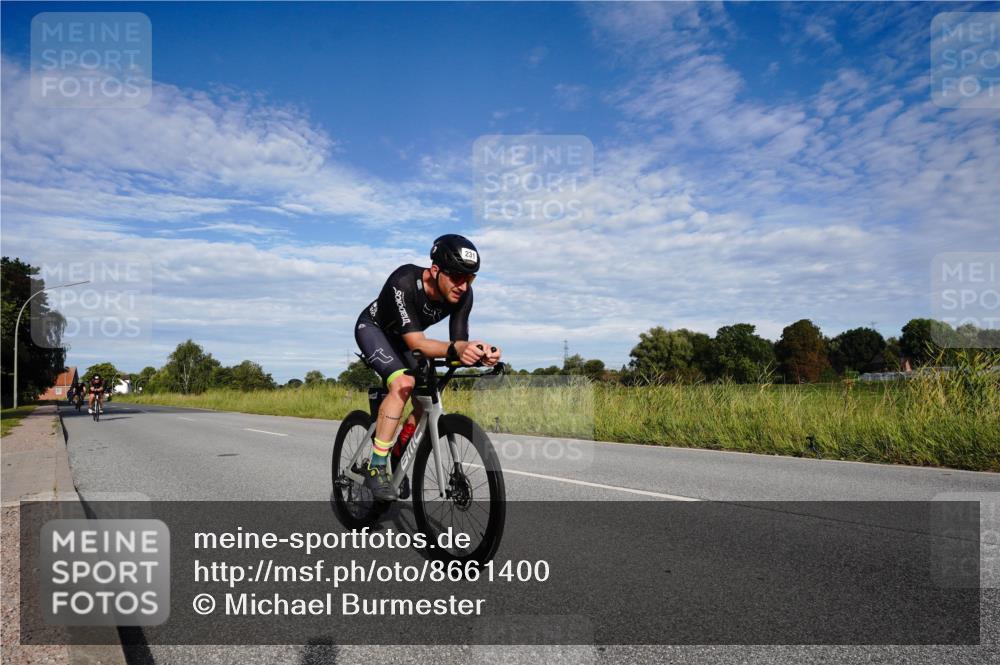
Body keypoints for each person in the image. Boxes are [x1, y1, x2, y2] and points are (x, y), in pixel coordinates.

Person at [354, 234, 501, 501]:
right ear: (435, 270)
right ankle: (376, 466)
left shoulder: (462, 296)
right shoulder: (404, 281)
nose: (463, 286)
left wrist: (480, 355)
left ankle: (399, 450)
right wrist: (456, 348)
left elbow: (458, 343)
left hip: (408, 340)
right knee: (403, 384)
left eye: (470, 279)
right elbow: (418, 343)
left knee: (425, 398)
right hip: (376, 330)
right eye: (456, 276)